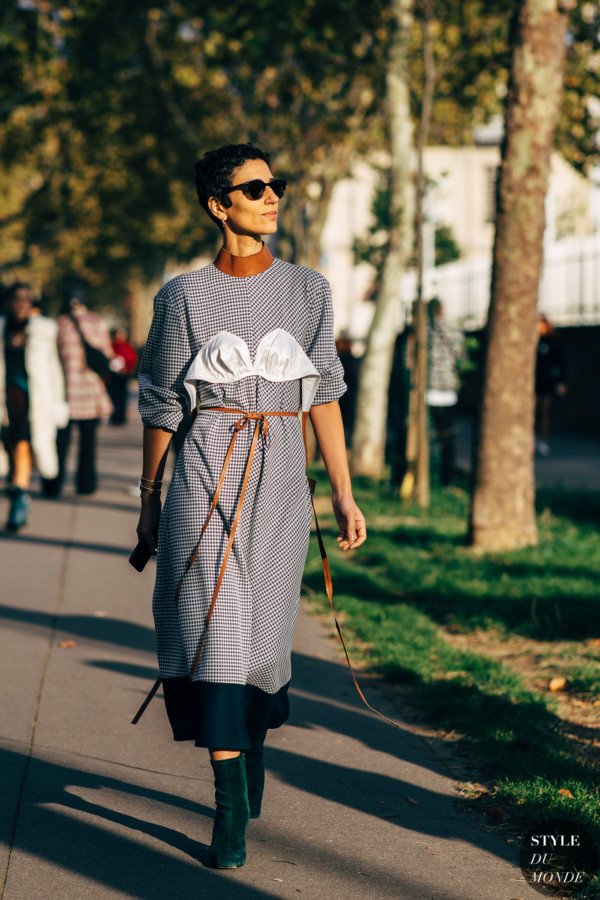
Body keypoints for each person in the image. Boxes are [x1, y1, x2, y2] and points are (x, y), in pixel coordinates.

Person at [135, 143, 367, 870]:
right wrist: (150, 500)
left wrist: (343, 490)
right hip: (205, 468)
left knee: (264, 640)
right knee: (219, 631)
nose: (273, 196)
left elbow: (323, 391)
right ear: (219, 204)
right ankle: (228, 808)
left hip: (280, 479)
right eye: (256, 187)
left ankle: (251, 745)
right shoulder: (182, 297)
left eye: (276, 185)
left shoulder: (309, 290)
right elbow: (163, 402)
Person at [0, 283, 69, 529]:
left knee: (22, 445)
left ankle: (19, 498)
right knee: (8, 450)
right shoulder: (2, 328)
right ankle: (18, 490)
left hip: (33, 402)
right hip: (5, 401)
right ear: (8, 301)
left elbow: (54, 370)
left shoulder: (43, 330)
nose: (21, 303)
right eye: (17, 298)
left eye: (26, 299)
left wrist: (59, 404)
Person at [54, 292, 115, 495]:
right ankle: (86, 484)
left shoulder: (60, 323)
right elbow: (107, 355)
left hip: (64, 389)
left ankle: (54, 483)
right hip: (91, 390)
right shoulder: (98, 322)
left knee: (60, 442)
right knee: (88, 442)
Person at [426, 298, 465, 487]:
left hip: (425, 393)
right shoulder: (454, 332)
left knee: (424, 440)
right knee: (447, 440)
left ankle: (423, 477)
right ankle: (446, 481)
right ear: (442, 310)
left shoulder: (422, 332)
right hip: (447, 393)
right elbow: (462, 358)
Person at [535, 315, 567, 457]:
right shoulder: (532, 341)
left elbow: (561, 362)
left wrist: (561, 381)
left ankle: (542, 440)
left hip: (546, 383)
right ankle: (531, 439)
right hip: (533, 383)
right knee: (531, 411)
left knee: (544, 412)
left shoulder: (553, 342)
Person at [108, 326, 138, 425]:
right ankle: (115, 416)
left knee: (122, 396)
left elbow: (132, 358)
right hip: (113, 375)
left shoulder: (127, 346)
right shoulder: (112, 345)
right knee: (114, 396)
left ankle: (121, 417)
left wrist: (127, 368)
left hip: (124, 375)